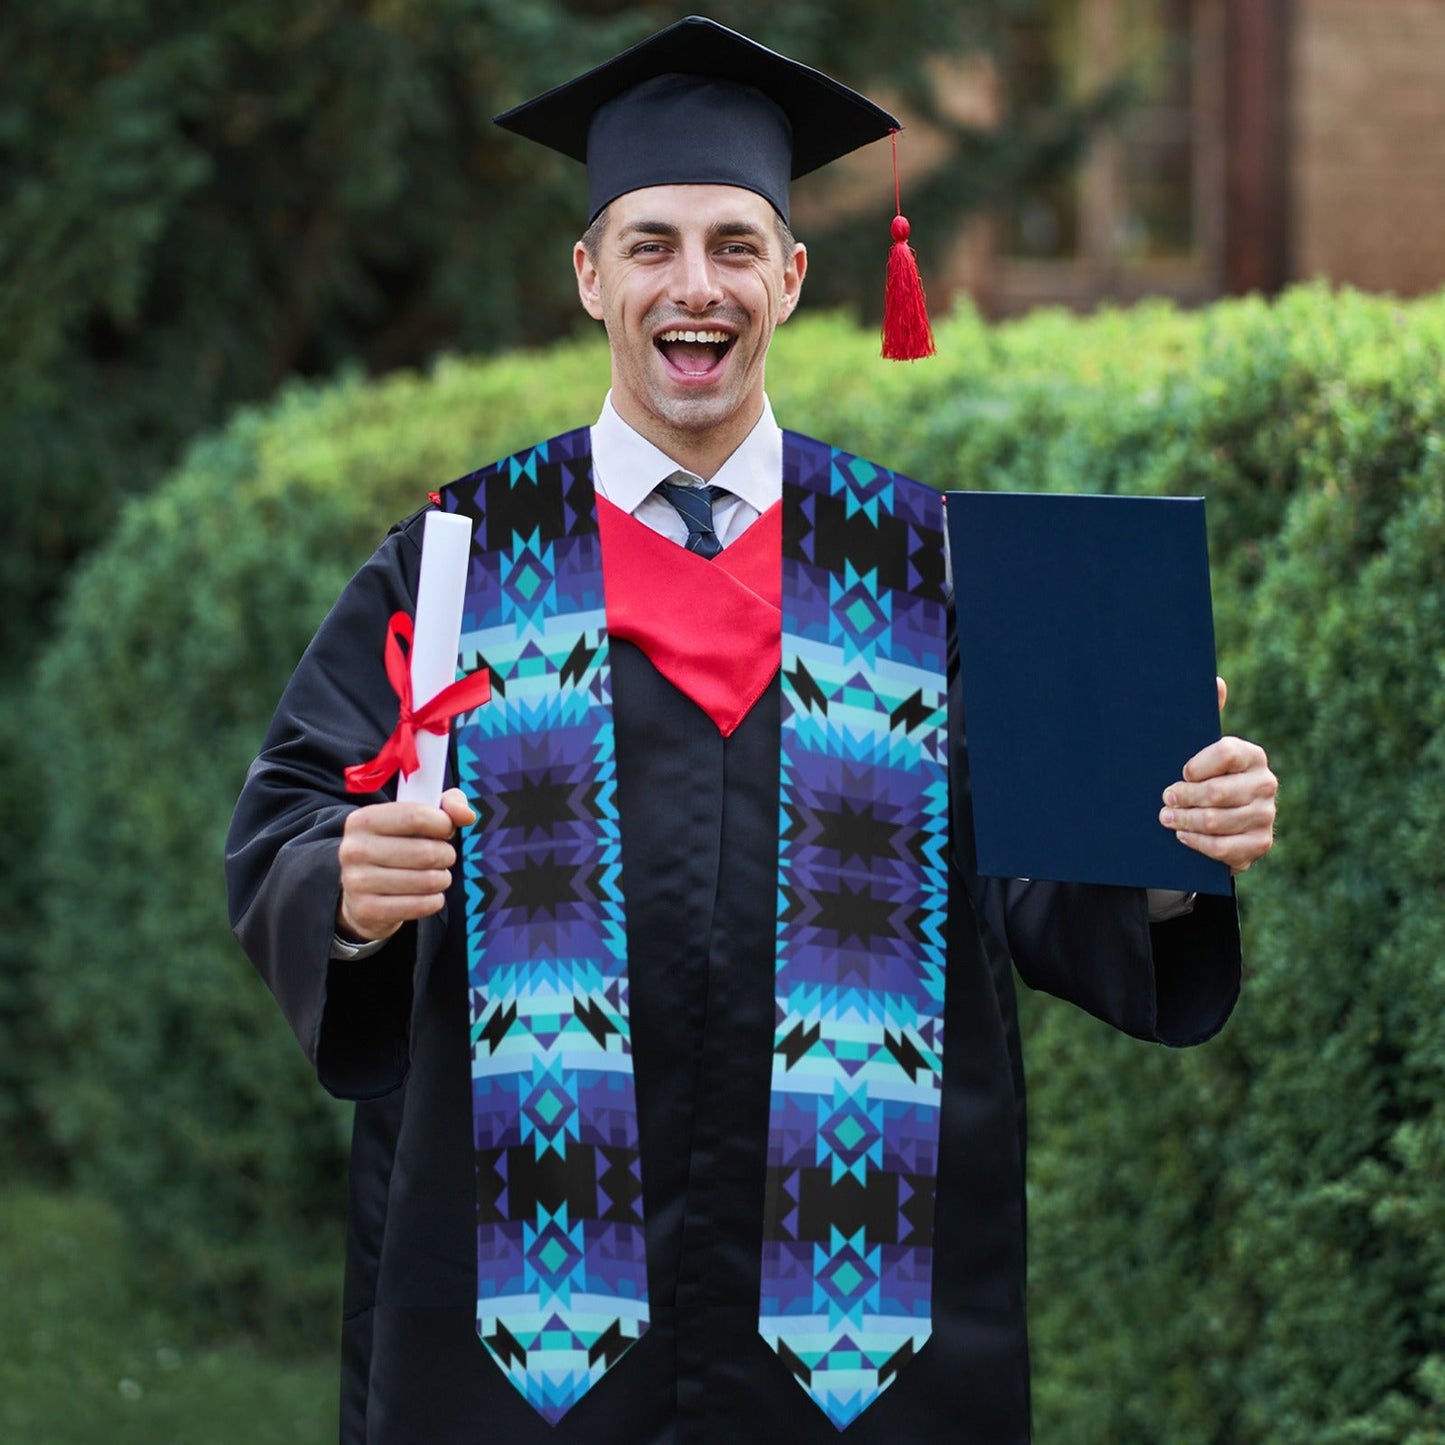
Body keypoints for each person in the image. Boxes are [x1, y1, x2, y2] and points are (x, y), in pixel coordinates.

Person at [225, 17, 1277, 1445]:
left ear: (789, 275)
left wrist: (1166, 842)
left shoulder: (925, 566)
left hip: (859, 1339)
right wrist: (343, 888)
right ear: (589, 275)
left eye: (732, 244)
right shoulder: (461, 559)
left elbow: (1041, 884)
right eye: (650, 244)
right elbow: (291, 816)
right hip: (524, 1332)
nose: (692, 285)